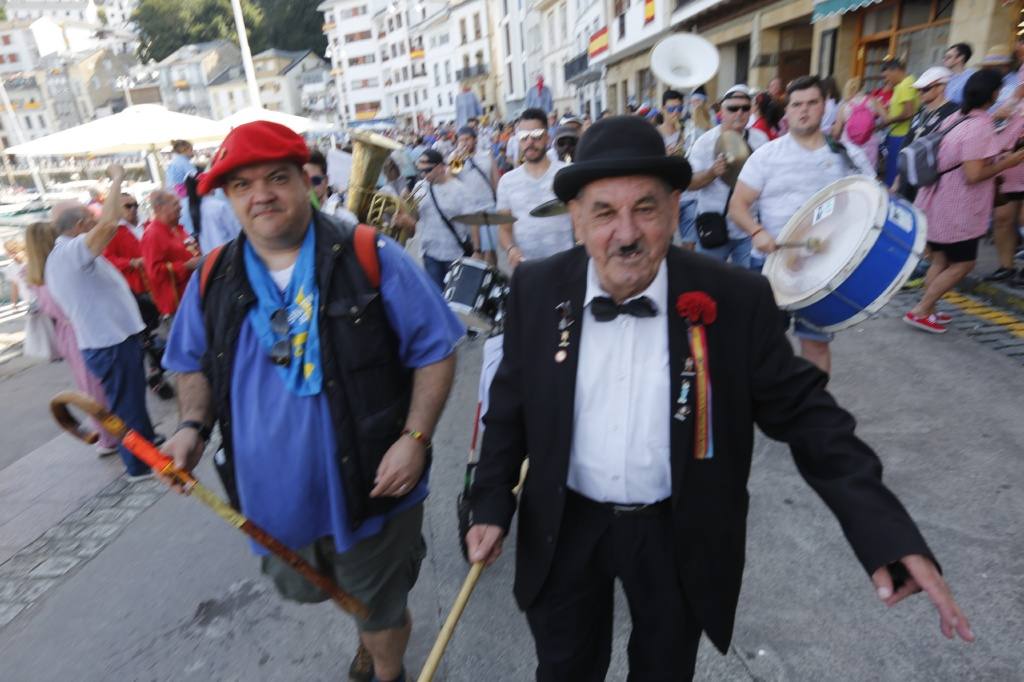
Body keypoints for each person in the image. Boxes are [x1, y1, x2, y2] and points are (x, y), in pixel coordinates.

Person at [466, 114, 974, 682]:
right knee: (563, 669)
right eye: (604, 212)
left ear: (674, 207)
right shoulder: (537, 289)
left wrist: (886, 531)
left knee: (663, 670)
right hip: (567, 524)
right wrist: (490, 502)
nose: (627, 233)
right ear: (576, 220)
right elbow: (508, 406)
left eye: (647, 208)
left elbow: (811, 419)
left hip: (678, 530)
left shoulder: (734, 298)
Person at [160, 120, 463, 682]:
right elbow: (187, 360)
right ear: (228, 198)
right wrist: (191, 426)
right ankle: (372, 627)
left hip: (372, 485)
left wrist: (415, 439)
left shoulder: (370, 255)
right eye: (243, 186)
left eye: (277, 177)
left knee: (378, 603)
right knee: (312, 588)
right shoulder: (211, 278)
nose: (261, 195)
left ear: (306, 181)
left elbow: (436, 350)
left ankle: (387, 664)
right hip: (272, 496)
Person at [729, 76, 875, 373]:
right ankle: (773, 406)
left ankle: (813, 412)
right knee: (765, 343)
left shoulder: (847, 155)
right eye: (797, 105)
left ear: (825, 107)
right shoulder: (767, 155)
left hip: (822, 267)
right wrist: (756, 231)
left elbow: (871, 204)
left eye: (812, 103)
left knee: (816, 345)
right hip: (771, 266)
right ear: (787, 110)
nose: (804, 111)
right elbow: (738, 206)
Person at [47, 165, 156, 481]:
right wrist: (117, 179)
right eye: (90, 222)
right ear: (81, 225)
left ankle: (147, 444)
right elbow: (109, 223)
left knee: (132, 400)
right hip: (109, 343)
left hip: (114, 338)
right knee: (126, 405)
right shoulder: (71, 252)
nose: (97, 225)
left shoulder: (68, 252)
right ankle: (139, 465)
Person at [905, 70, 1024, 333]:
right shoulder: (979, 126)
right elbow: (973, 174)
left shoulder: (957, 117)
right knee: (963, 263)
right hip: (957, 208)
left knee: (940, 261)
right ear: (993, 94)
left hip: (935, 200)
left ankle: (929, 309)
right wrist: (1009, 162)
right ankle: (921, 309)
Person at [23, 221, 120, 457]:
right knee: (97, 388)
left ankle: (109, 435)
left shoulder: (33, 273)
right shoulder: (56, 270)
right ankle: (110, 437)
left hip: (66, 334)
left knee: (89, 385)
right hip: (80, 331)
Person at [688, 85, 769, 267]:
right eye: (733, 108)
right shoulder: (705, 143)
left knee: (747, 286)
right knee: (710, 286)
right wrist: (712, 172)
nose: (739, 113)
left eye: (745, 108)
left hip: (749, 227)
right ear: (721, 111)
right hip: (715, 227)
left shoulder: (760, 139)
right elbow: (690, 183)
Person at [104, 193, 173, 399]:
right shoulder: (114, 232)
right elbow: (108, 259)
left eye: (135, 205)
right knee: (149, 336)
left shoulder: (148, 225)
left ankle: (164, 369)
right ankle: (157, 376)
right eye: (127, 206)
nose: (133, 209)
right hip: (137, 289)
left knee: (166, 329)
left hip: (160, 285)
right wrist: (131, 262)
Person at [496, 108, 575, 269]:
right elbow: (504, 229)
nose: (530, 142)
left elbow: (581, 221)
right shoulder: (507, 181)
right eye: (524, 136)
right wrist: (511, 249)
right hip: (528, 269)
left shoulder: (568, 173)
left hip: (567, 266)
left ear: (547, 137)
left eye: (536, 135)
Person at [415, 149, 479, 288]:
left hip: (455, 253)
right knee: (437, 298)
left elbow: (473, 221)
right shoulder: (419, 187)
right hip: (430, 252)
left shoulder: (460, 190)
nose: (423, 175)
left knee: (455, 298)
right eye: (421, 171)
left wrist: (477, 251)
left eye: (427, 170)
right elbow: (414, 217)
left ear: (439, 167)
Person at [897, 67, 959, 202]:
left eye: (925, 89)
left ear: (941, 87)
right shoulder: (921, 110)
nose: (920, 93)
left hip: (931, 180)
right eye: (918, 90)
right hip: (908, 176)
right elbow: (909, 140)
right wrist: (898, 179)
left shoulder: (954, 112)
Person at [141, 190, 199, 317]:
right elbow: (154, 271)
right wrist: (185, 266)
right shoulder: (153, 234)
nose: (180, 206)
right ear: (160, 208)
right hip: (178, 303)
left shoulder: (176, 228)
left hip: (193, 294)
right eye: (175, 204)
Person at [451, 126, 500, 266]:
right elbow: (450, 176)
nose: (464, 143)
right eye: (461, 140)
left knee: (490, 249)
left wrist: (501, 202)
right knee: (480, 250)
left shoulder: (487, 155)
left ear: (475, 140)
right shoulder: (456, 158)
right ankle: (488, 275)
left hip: (488, 206)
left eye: (467, 139)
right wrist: (458, 158)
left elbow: (495, 180)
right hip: (469, 209)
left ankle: (491, 276)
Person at [989, 105, 1024, 284]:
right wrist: (995, 117)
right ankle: (1006, 267)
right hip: (1007, 169)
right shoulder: (1011, 102)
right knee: (1002, 219)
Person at [879, 57, 919, 187]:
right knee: (892, 173)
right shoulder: (903, 84)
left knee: (894, 176)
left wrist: (889, 120)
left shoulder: (905, 85)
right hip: (898, 135)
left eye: (887, 76)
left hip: (901, 136)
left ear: (895, 70)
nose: (887, 80)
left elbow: (908, 112)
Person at [832, 77, 886, 171]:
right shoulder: (873, 101)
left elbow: (836, 133)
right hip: (870, 143)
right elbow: (886, 119)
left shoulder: (844, 106)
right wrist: (875, 127)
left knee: (852, 174)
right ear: (862, 88)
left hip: (851, 146)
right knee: (870, 174)